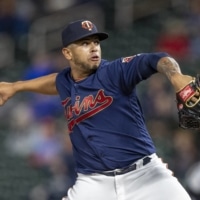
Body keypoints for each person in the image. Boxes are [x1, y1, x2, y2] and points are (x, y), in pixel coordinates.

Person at [0, 19, 194, 200]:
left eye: (96, 42)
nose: (93, 47)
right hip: (93, 183)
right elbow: (54, 81)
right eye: (84, 43)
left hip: (145, 175)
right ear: (67, 53)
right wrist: (16, 86)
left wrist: (176, 76)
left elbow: (156, 59)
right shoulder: (65, 81)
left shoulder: (115, 72)